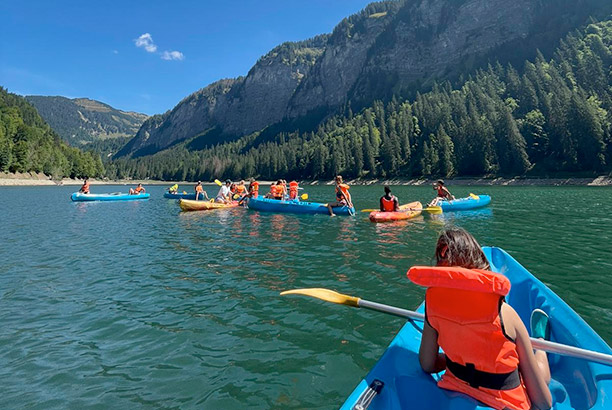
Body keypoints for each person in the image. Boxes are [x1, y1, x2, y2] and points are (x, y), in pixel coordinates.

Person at [410, 227, 552, 410]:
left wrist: (454, 359)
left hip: (458, 388)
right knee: (537, 372)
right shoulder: (505, 313)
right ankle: (540, 343)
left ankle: (539, 345)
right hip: (506, 402)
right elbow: (543, 402)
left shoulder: (433, 305)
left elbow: (427, 364)